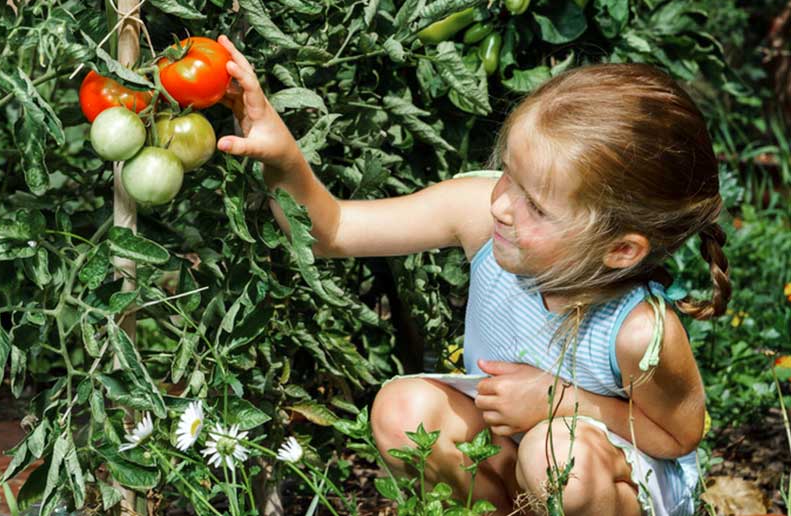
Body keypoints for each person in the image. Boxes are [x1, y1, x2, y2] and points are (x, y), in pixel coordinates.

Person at [214, 33, 731, 516]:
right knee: (403, 410)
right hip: (513, 458)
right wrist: (280, 154)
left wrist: (557, 401)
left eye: (535, 205)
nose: (503, 203)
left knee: (555, 453)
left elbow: (676, 435)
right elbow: (333, 230)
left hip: (602, 483)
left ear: (620, 250)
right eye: (508, 172)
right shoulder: (480, 217)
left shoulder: (639, 331)